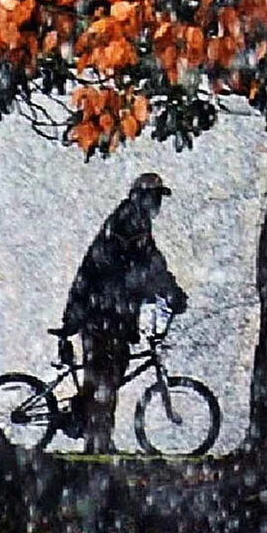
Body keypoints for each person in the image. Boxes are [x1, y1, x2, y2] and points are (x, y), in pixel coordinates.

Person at [61, 172, 189, 452]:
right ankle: (98, 441)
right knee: (105, 379)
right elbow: (149, 266)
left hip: (106, 315)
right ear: (142, 198)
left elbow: (124, 268)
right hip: (106, 316)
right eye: (155, 198)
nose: (157, 205)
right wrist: (171, 292)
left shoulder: (127, 221)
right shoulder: (131, 224)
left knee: (107, 376)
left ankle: (87, 424)